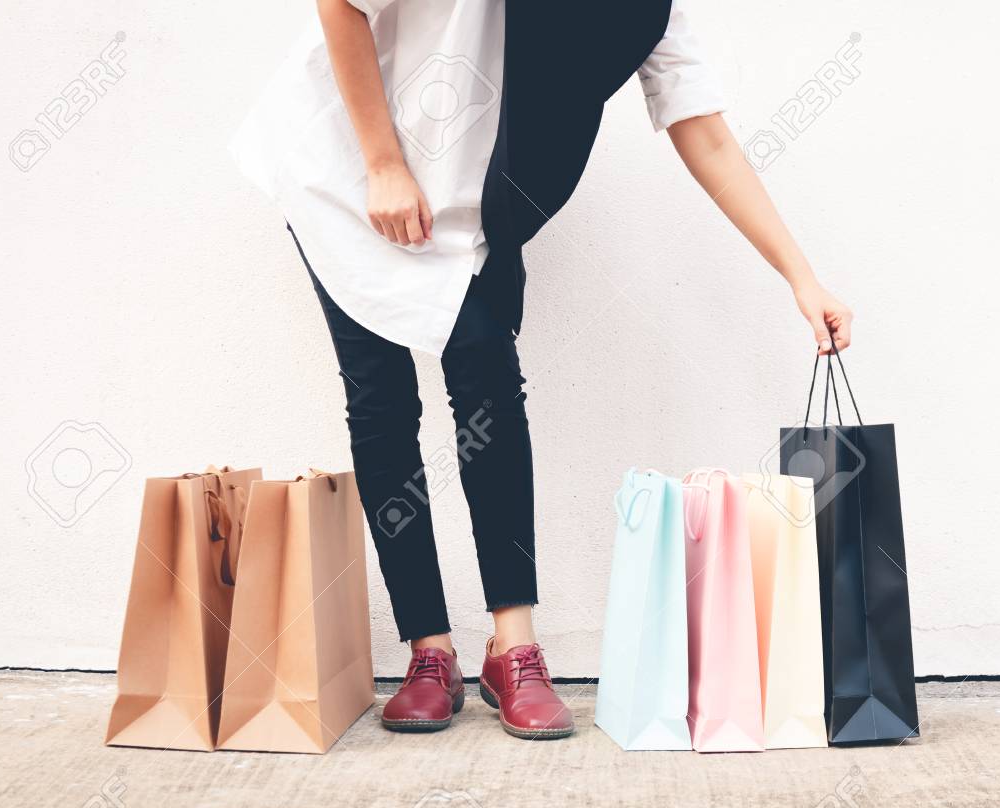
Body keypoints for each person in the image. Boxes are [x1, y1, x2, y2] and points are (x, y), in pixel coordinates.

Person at [231, 0, 854, 740]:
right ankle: (428, 652)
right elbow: (342, 5)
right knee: (380, 402)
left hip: (470, 206)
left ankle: (513, 647)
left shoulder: (641, 11)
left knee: (487, 381)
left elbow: (707, 136)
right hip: (346, 167)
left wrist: (800, 277)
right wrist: (384, 163)